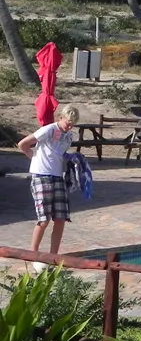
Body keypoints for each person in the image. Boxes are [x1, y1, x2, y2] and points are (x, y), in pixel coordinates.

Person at [17, 104, 79, 273]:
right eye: (68, 123)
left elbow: (59, 154)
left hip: (57, 177)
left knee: (60, 218)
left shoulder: (69, 136)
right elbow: (23, 144)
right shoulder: (48, 130)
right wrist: (34, 160)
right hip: (41, 176)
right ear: (61, 118)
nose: (69, 127)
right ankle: (33, 254)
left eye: (73, 124)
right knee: (44, 219)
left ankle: (54, 256)